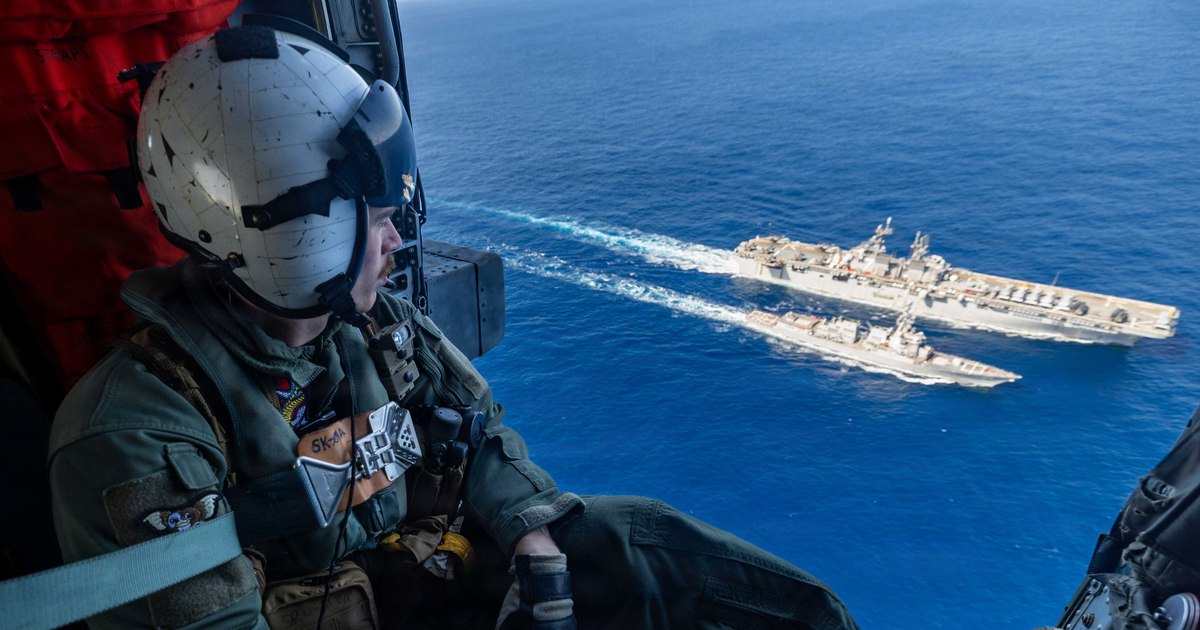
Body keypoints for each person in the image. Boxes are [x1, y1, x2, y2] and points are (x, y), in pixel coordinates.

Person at [48, 24, 858, 629]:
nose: (396, 242)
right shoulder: (136, 435)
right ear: (281, 236)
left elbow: (475, 431)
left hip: (423, 584)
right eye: (374, 221)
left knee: (656, 554)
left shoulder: (371, 328)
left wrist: (531, 538)